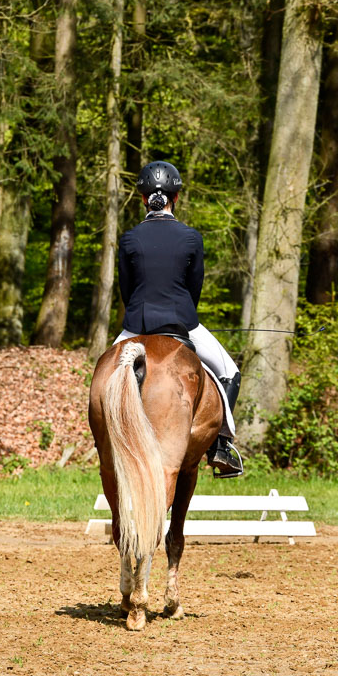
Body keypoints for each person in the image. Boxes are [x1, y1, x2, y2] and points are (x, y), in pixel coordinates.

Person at [114, 160, 242, 477]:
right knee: (230, 373)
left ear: (143, 199)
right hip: (181, 323)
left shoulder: (129, 238)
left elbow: (126, 290)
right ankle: (219, 447)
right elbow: (193, 287)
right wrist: (180, 316)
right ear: (176, 197)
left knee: (105, 376)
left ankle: (104, 438)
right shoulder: (191, 238)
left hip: (136, 326)